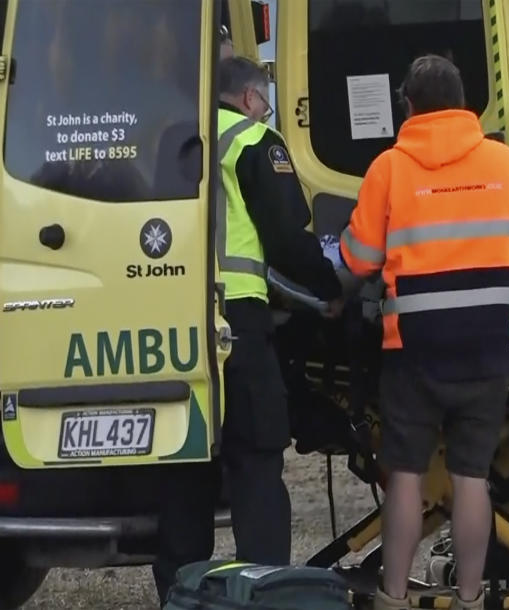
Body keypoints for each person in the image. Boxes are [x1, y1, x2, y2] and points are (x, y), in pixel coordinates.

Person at [337, 55, 509, 610]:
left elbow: (358, 259)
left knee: (405, 475)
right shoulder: (501, 159)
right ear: (463, 103)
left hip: (415, 351)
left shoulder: (390, 167)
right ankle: (471, 597)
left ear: (407, 104)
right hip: (484, 348)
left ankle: (395, 596)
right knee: (472, 477)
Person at [150, 56, 343, 603]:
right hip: (235, 319)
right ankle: (265, 591)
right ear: (252, 98)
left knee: (186, 464)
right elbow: (284, 236)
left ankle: (181, 593)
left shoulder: (172, 141)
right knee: (257, 457)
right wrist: (330, 289)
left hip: (172, 315)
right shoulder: (254, 138)